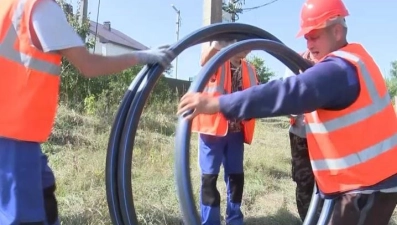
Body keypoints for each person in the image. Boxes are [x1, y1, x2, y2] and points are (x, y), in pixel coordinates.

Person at [177, 0, 397, 224]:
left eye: (315, 36)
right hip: (367, 180)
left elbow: (285, 92)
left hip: (370, 185)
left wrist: (217, 104)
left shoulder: (338, 70)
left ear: (337, 31)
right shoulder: (352, 60)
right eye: (306, 38)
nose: (309, 45)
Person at [0, 0, 174, 224]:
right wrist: (142, 56)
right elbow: (89, 65)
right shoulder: (39, 8)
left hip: (16, 138)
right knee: (24, 218)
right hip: (14, 140)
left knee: (45, 197)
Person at [193, 40, 258, 225]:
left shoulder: (251, 70)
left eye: (250, 44)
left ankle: (235, 219)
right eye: (242, 42)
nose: (247, 48)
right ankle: (210, 221)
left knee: (236, 178)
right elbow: (205, 61)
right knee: (209, 179)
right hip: (212, 131)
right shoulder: (218, 62)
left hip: (236, 132)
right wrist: (219, 44)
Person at [284, 50, 324, 221]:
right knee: (304, 182)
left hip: (327, 137)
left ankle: (326, 217)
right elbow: (286, 103)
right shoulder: (295, 62)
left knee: (328, 183)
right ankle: (307, 219)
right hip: (302, 136)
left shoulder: (333, 62)